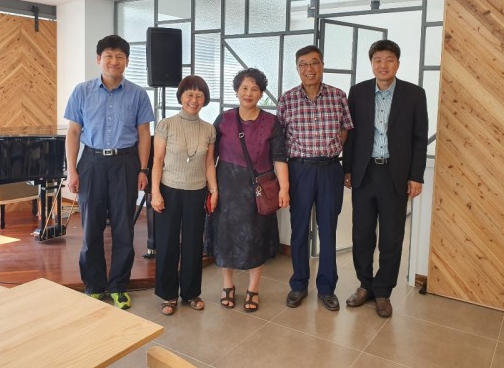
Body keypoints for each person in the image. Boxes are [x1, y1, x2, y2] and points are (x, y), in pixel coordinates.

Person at [64, 34, 154, 310]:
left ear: (127, 61)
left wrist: (143, 169)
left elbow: (144, 134)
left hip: (125, 163)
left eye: (119, 57)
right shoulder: (82, 91)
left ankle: (118, 286)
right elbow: (73, 132)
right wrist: (72, 170)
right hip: (91, 162)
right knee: (91, 227)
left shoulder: (138, 94)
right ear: (98, 59)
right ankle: (94, 285)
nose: (114, 61)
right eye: (109, 56)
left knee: (123, 227)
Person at [343, 39, 428, 318]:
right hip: (365, 172)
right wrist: (347, 169)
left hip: (395, 174)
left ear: (398, 64)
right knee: (362, 234)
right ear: (371, 63)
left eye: (389, 60)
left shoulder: (414, 94)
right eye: (378, 60)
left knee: (392, 237)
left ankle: (383, 292)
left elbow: (419, 139)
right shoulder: (357, 92)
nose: (383, 65)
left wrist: (416, 176)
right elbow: (350, 134)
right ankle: (364, 285)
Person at [277, 45, 353, 312]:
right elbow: (280, 139)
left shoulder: (338, 96)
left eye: (314, 63)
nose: (309, 69)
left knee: (328, 230)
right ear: (297, 68)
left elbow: (345, 130)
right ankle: (299, 284)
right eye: (303, 64)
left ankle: (327, 288)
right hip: (299, 170)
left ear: (322, 65)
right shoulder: (287, 100)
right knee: (299, 230)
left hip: (330, 169)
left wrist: (331, 149)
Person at [209, 68, 289, 312]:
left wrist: (284, 188)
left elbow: (279, 157)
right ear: (236, 91)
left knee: (257, 238)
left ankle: (254, 288)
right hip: (227, 187)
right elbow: (210, 157)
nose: (249, 93)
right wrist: (212, 188)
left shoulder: (271, 122)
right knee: (226, 237)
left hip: (258, 190)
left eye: (254, 89)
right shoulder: (224, 119)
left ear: (261, 93)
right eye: (244, 88)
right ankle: (228, 285)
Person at [151, 75, 217, 316]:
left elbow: (209, 163)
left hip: (197, 191)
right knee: (167, 243)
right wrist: (155, 192)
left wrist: (214, 190)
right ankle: (168, 294)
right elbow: (157, 161)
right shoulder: (166, 125)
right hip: (169, 190)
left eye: (199, 95)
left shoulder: (209, 129)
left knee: (193, 244)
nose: (194, 100)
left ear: (204, 100)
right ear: (181, 97)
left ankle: (190, 292)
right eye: (190, 94)